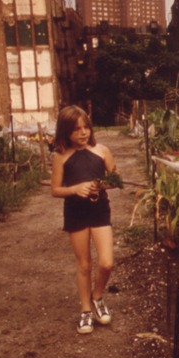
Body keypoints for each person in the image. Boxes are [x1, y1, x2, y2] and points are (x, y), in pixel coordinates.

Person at [50, 105, 119, 334]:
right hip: (76, 212)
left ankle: (97, 296)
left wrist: (101, 185)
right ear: (65, 132)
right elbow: (55, 190)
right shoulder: (60, 157)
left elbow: (116, 179)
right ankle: (86, 310)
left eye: (86, 127)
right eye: (76, 129)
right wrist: (76, 189)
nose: (83, 133)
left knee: (106, 262)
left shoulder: (102, 151)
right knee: (84, 265)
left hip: (99, 209)